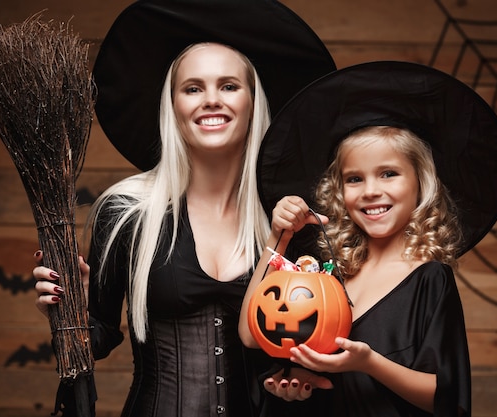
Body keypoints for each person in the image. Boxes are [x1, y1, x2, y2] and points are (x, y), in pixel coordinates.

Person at [33, 0, 336, 416]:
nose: (211, 100)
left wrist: (293, 379)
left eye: (229, 86)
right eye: (193, 88)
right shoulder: (126, 212)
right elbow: (97, 341)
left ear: (254, 101)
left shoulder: (288, 219)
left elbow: (305, 344)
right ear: (172, 106)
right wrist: (70, 306)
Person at [239, 61, 497, 416]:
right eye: (354, 179)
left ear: (420, 183)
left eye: (388, 174)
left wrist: (368, 362)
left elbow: (444, 395)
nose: (371, 191)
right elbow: (250, 335)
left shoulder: (429, 279)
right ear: (339, 191)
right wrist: (280, 237)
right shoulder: (330, 272)